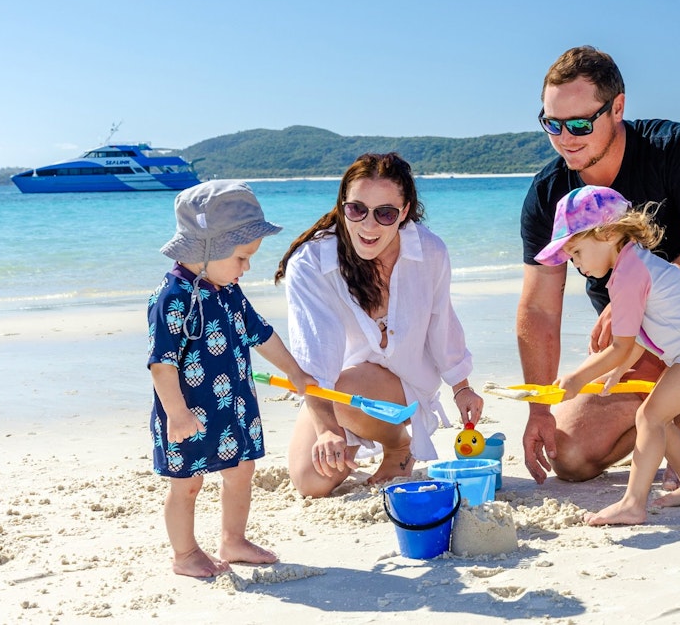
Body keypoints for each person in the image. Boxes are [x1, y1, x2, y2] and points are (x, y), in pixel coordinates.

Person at [518, 45, 680, 487]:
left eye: (579, 124)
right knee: (570, 458)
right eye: (552, 124)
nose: (565, 138)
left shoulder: (673, 148)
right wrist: (539, 407)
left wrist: (640, 291)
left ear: (618, 108)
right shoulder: (547, 193)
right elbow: (539, 310)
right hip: (631, 343)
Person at [274, 152, 485, 498]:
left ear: (403, 214)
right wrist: (327, 429)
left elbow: (441, 323)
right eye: (357, 209)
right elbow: (312, 353)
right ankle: (363, 429)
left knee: (342, 394)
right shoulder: (312, 261)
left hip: (406, 384)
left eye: (384, 214)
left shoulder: (429, 252)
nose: (368, 226)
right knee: (311, 481)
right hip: (337, 386)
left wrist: (461, 387)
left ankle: (399, 445)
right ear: (343, 205)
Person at [536, 185, 680, 524]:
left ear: (608, 232)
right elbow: (647, 333)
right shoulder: (637, 264)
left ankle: (633, 503)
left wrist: (578, 377)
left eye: (577, 252)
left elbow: (621, 345)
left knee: (648, 418)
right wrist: (618, 372)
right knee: (662, 420)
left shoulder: (627, 275)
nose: (576, 264)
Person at [148, 180, 315, 578]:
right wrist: (177, 414)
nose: (246, 267)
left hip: (233, 405)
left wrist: (294, 370)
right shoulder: (173, 298)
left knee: (242, 472)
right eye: (241, 257)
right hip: (187, 414)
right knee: (186, 485)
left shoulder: (228, 291)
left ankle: (233, 540)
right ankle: (185, 553)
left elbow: (260, 333)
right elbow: (162, 363)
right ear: (208, 250)